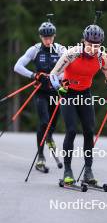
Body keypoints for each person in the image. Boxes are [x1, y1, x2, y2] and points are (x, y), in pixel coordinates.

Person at [49, 24, 107, 184]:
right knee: (71, 130)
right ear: (84, 41)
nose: (92, 48)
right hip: (68, 93)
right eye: (90, 45)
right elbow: (53, 75)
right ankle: (67, 170)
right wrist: (58, 88)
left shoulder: (102, 57)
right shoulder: (72, 54)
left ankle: (88, 171)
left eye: (96, 46)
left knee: (89, 131)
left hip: (85, 94)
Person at [14, 20, 67, 172]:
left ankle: (49, 137)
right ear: (40, 37)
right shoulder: (35, 50)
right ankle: (41, 157)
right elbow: (17, 66)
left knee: (51, 125)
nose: (48, 40)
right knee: (44, 122)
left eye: (50, 37)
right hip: (41, 93)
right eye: (45, 38)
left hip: (56, 93)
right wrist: (34, 75)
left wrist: (56, 77)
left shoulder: (61, 50)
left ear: (54, 36)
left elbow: (70, 68)